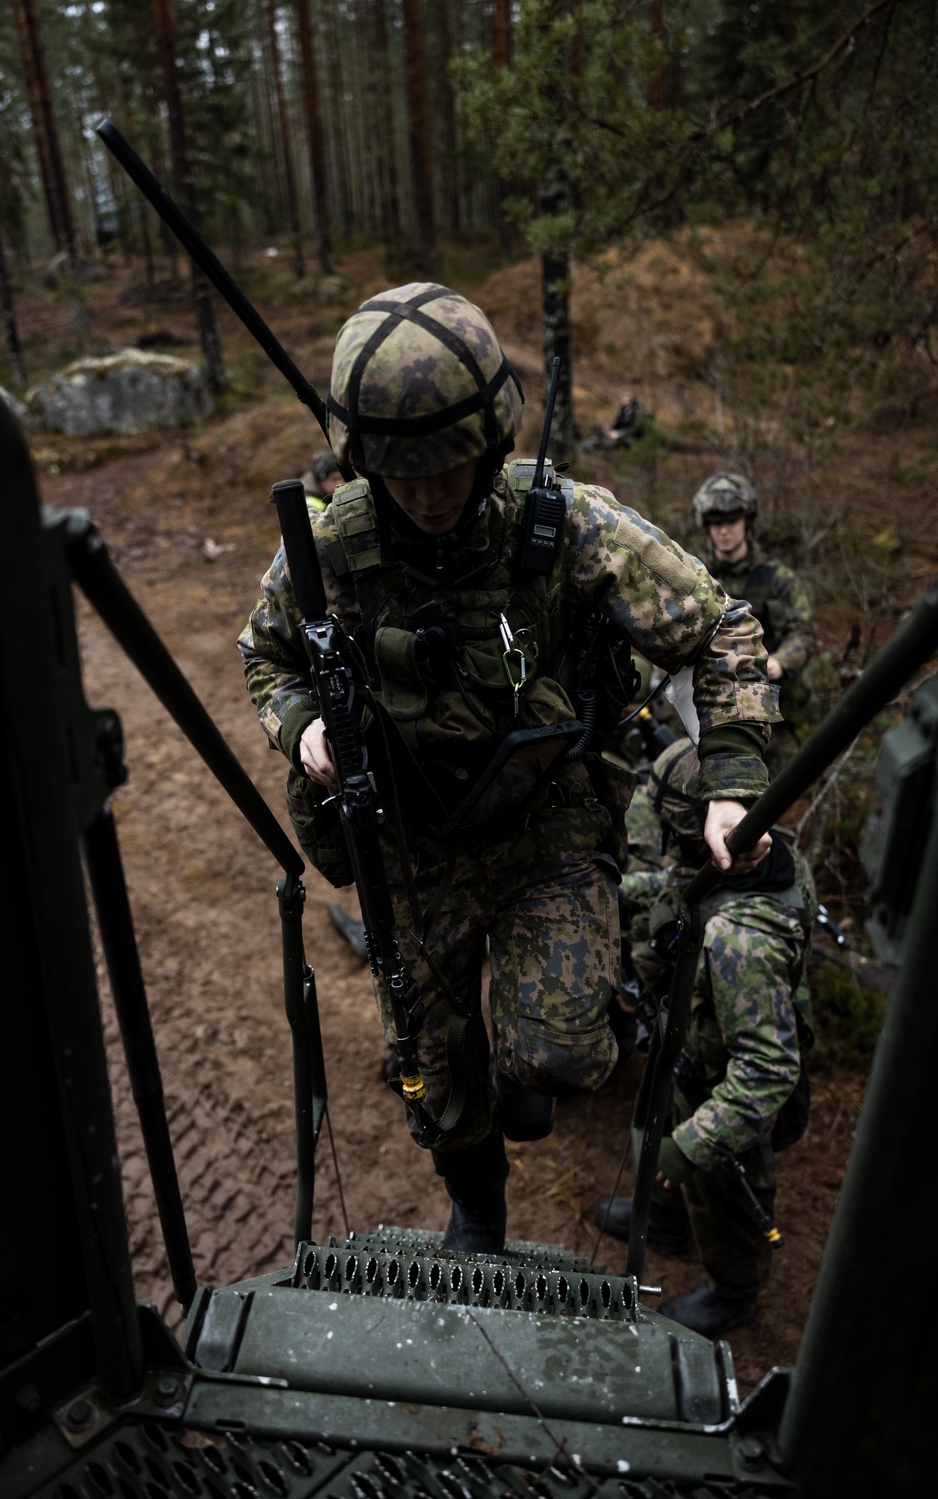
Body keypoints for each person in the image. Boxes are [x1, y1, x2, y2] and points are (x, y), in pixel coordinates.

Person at [238, 282, 778, 1256]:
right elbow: (265, 655)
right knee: (428, 1083)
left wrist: (733, 778)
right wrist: (303, 725)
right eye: (405, 474)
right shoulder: (328, 547)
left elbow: (724, 627)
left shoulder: (564, 524)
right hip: (411, 849)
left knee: (562, 1050)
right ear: (365, 460)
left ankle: (531, 1059)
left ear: (489, 440)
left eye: (449, 467)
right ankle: (474, 1205)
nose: (431, 494)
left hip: (546, 827)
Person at [595, 737, 815, 1336]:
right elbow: (675, 883)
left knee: (722, 1183)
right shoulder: (756, 854)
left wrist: (692, 1146)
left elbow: (766, 1072)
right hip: (693, 1052)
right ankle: (667, 1219)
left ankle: (734, 1292)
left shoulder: (743, 938)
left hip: (727, 1092)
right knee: (665, 1127)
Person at [693, 472, 816, 764]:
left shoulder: (778, 579)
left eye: (731, 521)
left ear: (747, 521)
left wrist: (781, 661)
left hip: (767, 695)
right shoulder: (693, 575)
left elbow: (803, 633)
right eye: (715, 523)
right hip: (707, 693)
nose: (723, 531)